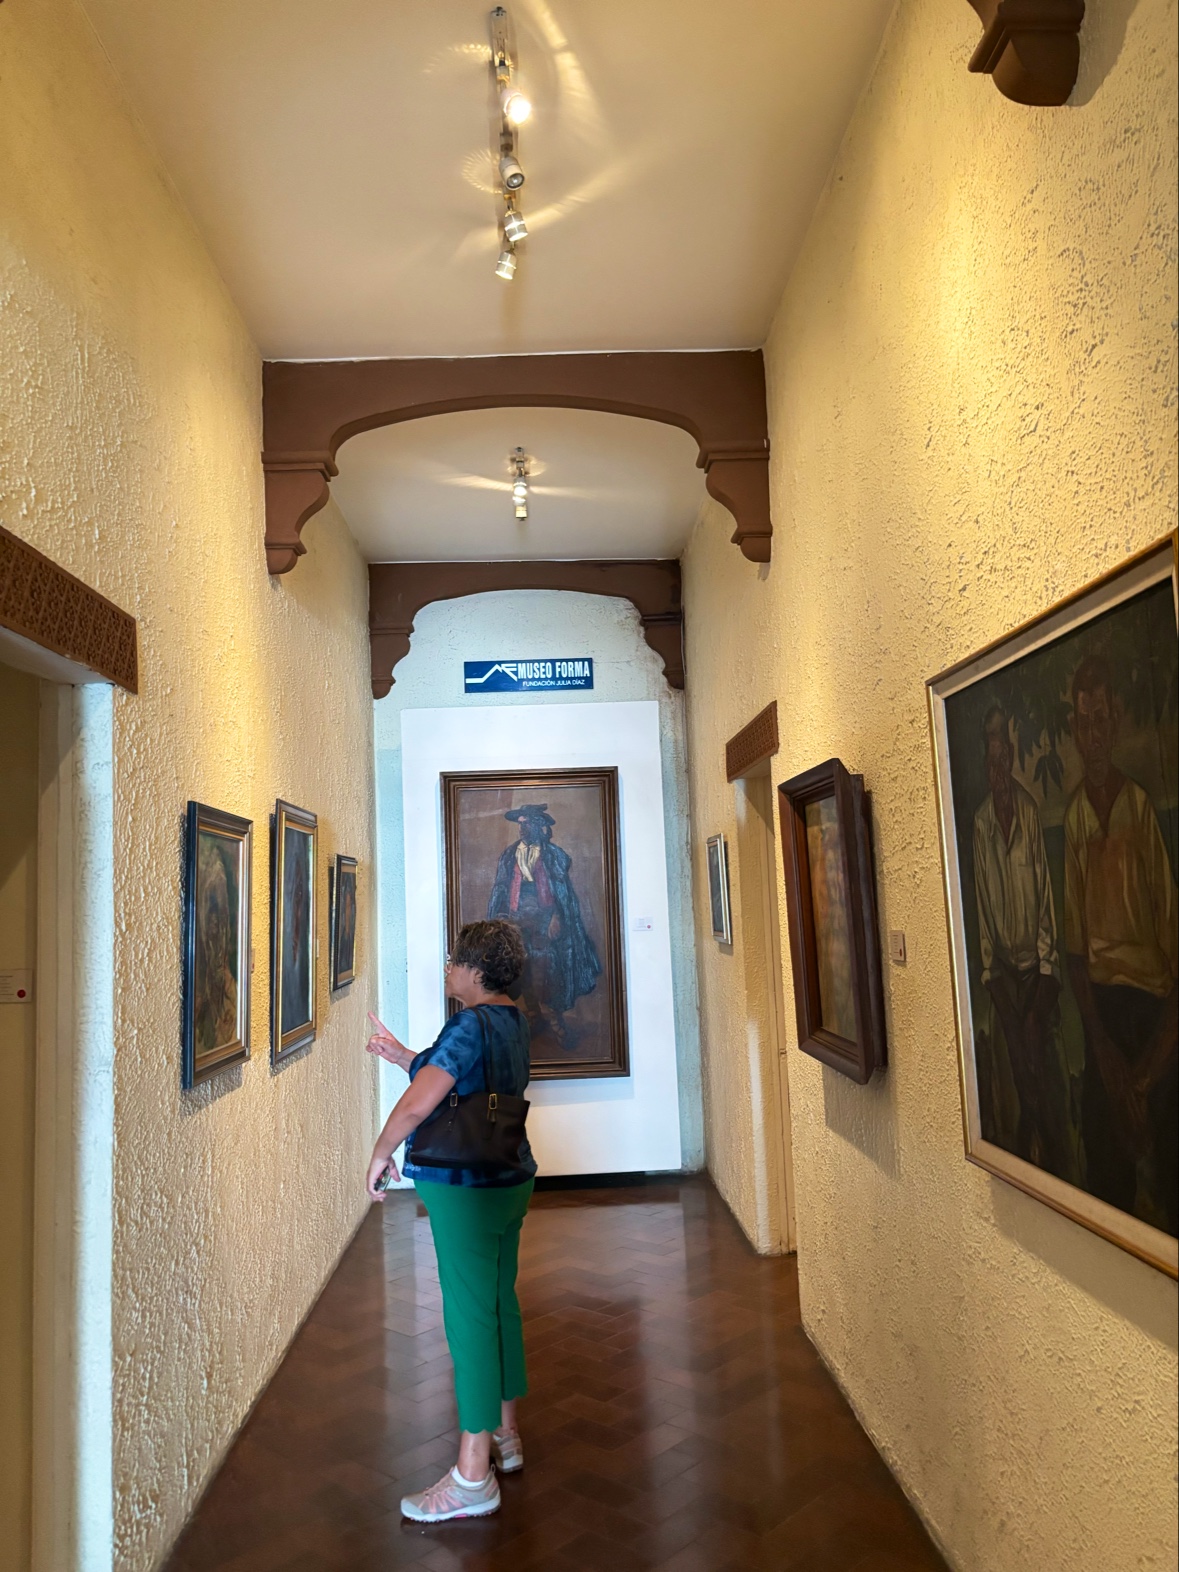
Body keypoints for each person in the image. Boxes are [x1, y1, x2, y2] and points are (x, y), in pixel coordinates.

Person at [364, 920, 537, 1523]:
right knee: (499, 1305)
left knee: (470, 1321)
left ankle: (471, 1477)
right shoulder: (512, 1021)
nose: (447, 969)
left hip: (466, 1189)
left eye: (453, 960)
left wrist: (381, 1151)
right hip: (510, 1177)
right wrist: (401, 1054)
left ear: (476, 971)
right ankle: (505, 1436)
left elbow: (421, 1103)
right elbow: (460, 1077)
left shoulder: (468, 1024)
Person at [1063, 656, 1178, 1233]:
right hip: (1104, 1016)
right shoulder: (1075, 819)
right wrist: (1105, 1055)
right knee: (1105, 1185)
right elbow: (1074, 953)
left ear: (1116, 722)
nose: (1094, 736)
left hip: (1154, 1015)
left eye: (1102, 720)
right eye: (1084, 723)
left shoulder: (1138, 809)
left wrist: (1145, 1075)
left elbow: (1174, 950)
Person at [971, 704, 1073, 1178]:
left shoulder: (1030, 813)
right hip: (1004, 981)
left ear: (1010, 757)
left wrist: (1038, 1002)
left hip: (1036, 976)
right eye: (990, 761)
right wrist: (1010, 1014)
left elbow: (1046, 910)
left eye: (1003, 758)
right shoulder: (981, 826)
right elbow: (983, 928)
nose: (998, 770)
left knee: (1049, 1084)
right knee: (1012, 1092)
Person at [487, 803, 600, 1047]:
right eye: (521, 824)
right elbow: (501, 889)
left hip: (545, 919)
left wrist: (557, 917)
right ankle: (534, 1016)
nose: (522, 829)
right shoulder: (509, 855)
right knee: (521, 969)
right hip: (516, 920)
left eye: (527, 824)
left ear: (539, 826)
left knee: (549, 970)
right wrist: (501, 918)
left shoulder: (554, 855)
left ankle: (556, 1021)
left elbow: (563, 893)